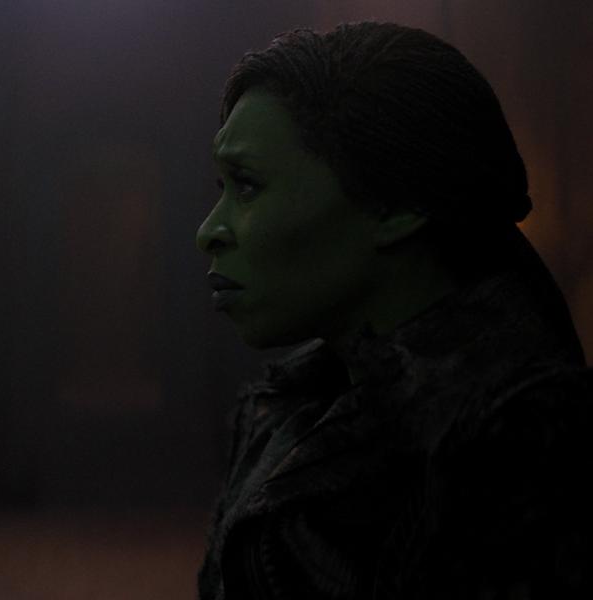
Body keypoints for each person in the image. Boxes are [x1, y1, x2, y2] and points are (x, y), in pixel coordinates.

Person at [195, 22, 591, 599]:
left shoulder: (529, 444)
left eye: (248, 185)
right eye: (221, 188)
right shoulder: (285, 412)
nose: (209, 231)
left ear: (396, 205)